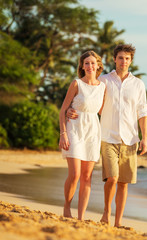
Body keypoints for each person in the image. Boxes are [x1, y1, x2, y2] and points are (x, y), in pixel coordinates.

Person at [68, 44, 147, 227]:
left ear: (131, 61)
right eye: (120, 58)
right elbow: (85, 95)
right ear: (114, 59)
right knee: (112, 178)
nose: (123, 61)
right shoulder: (103, 80)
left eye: (127, 58)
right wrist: (69, 111)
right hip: (107, 137)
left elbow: (142, 112)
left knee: (123, 182)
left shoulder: (138, 84)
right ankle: (106, 212)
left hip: (130, 139)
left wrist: (144, 138)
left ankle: (118, 222)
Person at [59, 50, 106, 220]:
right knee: (75, 174)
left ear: (98, 65)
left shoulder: (103, 87)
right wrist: (63, 133)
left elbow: (104, 111)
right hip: (75, 128)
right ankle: (66, 207)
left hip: (93, 130)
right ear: (82, 66)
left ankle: (81, 217)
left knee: (87, 176)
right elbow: (63, 110)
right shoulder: (76, 84)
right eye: (86, 63)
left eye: (93, 63)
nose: (90, 66)